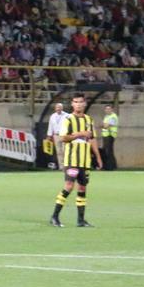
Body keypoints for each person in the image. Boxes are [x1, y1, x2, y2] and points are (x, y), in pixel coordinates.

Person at [49, 93, 102, 228]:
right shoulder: (68, 119)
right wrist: (80, 134)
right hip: (72, 160)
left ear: (84, 104)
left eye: (80, 102)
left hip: (85, 161)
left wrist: (98, 156)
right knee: (69, 186)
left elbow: (92, 139)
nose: (78, 104)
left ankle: (81, 220)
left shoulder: (89, 120)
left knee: (83, 188)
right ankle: (54, 217)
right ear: (72, 104)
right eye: (75, 102)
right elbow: (63, 138)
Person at [45, 101, 67, 170]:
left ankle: (66, 165)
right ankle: (61, 166)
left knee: (65, 150)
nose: (58, 109)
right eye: (57, 107)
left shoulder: (67, 115)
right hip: (56, 135)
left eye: (59, 107)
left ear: (62, 108)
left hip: (64, 135)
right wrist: (49, 135)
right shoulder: (52, 116)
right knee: (58, 151)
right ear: (55, 108)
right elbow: (50, 126)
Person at [100, 102, 119, 171]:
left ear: (112, 109)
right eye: (106, 109)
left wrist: (103, 125)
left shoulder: (113, 116)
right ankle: (109, 166)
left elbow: (106, 126)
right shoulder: (107, 116)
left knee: (108, 151)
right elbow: (104, 125)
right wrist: (104, 125)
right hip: (106, 135)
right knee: (107, 151)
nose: (107, 110)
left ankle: (110, 167)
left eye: (109, 109)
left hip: (110, 135)